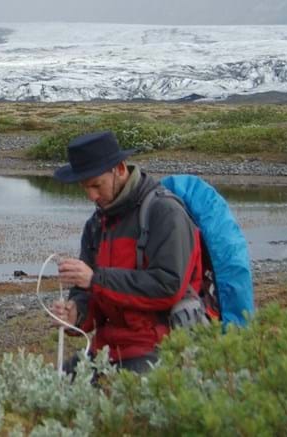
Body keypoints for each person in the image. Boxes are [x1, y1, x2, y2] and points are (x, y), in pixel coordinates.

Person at [50, 131, 203, 374]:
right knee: (51, 390)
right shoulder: (95, 225)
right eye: (84, 187)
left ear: (120, 169)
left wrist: (95, 279)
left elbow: (168, 286)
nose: (91, 196)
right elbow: (88, 294)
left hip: (162, 348)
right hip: (107, 349)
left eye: (96, 185)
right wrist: (76, 314)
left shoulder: (165, 213)